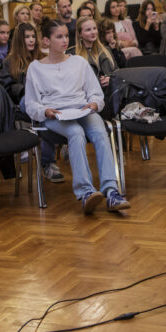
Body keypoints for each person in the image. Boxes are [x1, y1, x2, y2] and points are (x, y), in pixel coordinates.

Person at [24, 19, 131, 214]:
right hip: (56, 114)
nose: (65, 40)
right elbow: (31, 103)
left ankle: (111, 192)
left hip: (82, 109)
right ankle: (86, 193)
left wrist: (94, 103)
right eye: (59, 37)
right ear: (46, 41)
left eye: (66, 36)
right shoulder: (36, 68)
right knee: (75, 133)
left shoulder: (78, 62)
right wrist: (45, 111)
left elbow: (96, 93)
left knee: (100, 131)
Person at [0, 23, 63, 183]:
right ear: (19, 39)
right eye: (27, 37)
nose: (31, 40)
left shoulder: (43, 57)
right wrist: (26, 90)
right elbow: (5, 87)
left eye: (33, 36)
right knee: (41, 111)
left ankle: (65, 141)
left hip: (47, 99)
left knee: (51, 108)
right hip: (24, 101)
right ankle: (49, 163)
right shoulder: (10, 62)